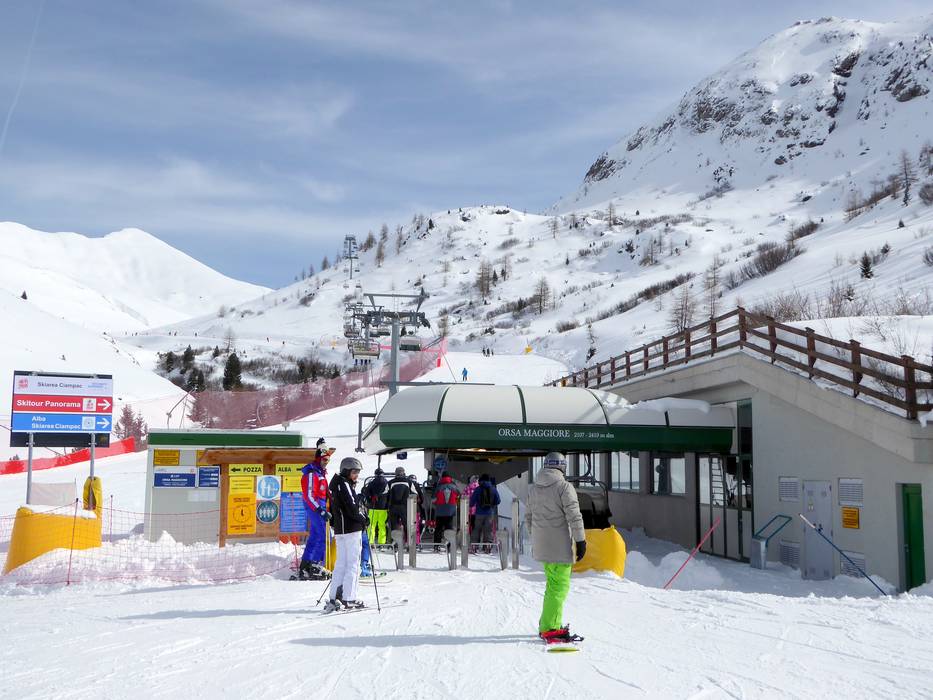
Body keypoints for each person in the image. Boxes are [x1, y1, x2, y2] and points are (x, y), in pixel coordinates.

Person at [524, 452, 586, 644]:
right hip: (559, 546)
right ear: (562, 466)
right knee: (559, 587)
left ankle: (548, 623)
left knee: (552, 585)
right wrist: (580, 541)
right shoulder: (564, 487)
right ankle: (551, 628)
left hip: (542, 545)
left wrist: (536, 538)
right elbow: (574, 516)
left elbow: (528, 517)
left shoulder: (534, 489)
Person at [324, 457, 368, 612]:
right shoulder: (344, 484)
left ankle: (334, 596)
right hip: (351, 530)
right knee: (353, 564)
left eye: (357, 472)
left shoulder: (335, 484)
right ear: (346, 471)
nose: (356, 475)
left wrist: (335, 524)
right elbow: (352, 507)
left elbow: (334, 508)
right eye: (354, 472)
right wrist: (364, 519)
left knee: (341, 563)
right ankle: (349, 598)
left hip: (341, 531)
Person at [298, 442, 334, 580]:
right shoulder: (312, 474)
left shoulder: (319, 473)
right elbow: (309, 495)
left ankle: (306, 565)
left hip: (319, 507)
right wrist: (320, 510)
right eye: (324, 459)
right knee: (324, 536)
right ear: (319, 459)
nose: (326, 462)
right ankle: (315, 565)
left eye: (328, 460)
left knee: (314, 537)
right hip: (316, 508)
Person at [470, 473, 500, 553]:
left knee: (477, 529)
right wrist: (492, 505)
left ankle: (474, 545)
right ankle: (487, 546)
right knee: (488, 530)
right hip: (489, 513)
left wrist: (472, 505)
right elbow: (498, 501)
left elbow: (472, 502)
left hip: (479, 513)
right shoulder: (493, 489)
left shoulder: (478, 489)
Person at [361, 467, 389, 545]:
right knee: (382, 525)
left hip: (373, 507)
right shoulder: (386, 483)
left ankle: (370, 541)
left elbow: (366, 492)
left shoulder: (371, 483)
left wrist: (369, 500)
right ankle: (382, 542)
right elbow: (389, 494)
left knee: (371, 525)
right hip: (383, 508)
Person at [386, 466, 415, 543]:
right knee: (406, 524)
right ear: (403, 473)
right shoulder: (409, 482)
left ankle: (395, 542)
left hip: (393, 506)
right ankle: (408, 542)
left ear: (395, 473)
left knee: (394, 525)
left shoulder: (390, 482)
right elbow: (415, 493)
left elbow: (384, 494)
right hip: (405, 507)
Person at [432, 474, 460, 551]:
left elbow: (433, 500)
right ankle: (449, 546)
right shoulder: (454, 487)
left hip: (440, 511)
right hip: (450, 511)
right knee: (449, 528)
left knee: (438, 528)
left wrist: (437, 504)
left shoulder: (439, 487)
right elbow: (459, 497)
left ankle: (436, 546)